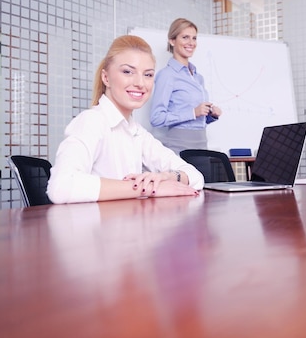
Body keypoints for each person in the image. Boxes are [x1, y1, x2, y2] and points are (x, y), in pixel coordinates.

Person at [47, 35, 204, 204]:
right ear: (106, 78)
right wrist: (149, 188)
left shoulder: (136, 131)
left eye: (148, 75)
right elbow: (61, 187)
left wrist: (169, 176)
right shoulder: (92, 121)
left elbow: (196, 177)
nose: (140, 83)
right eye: (128, 72)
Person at [149, 18, 222, 153]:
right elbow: (156, 118)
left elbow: (196, 120)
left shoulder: (198, 78)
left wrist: (211, 115)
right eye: (185, 37)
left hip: (202, 144)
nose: (191, 43)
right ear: (172, 41)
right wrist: (193, 112)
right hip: (178, 147)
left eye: (194, 38)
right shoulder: (167, 75)